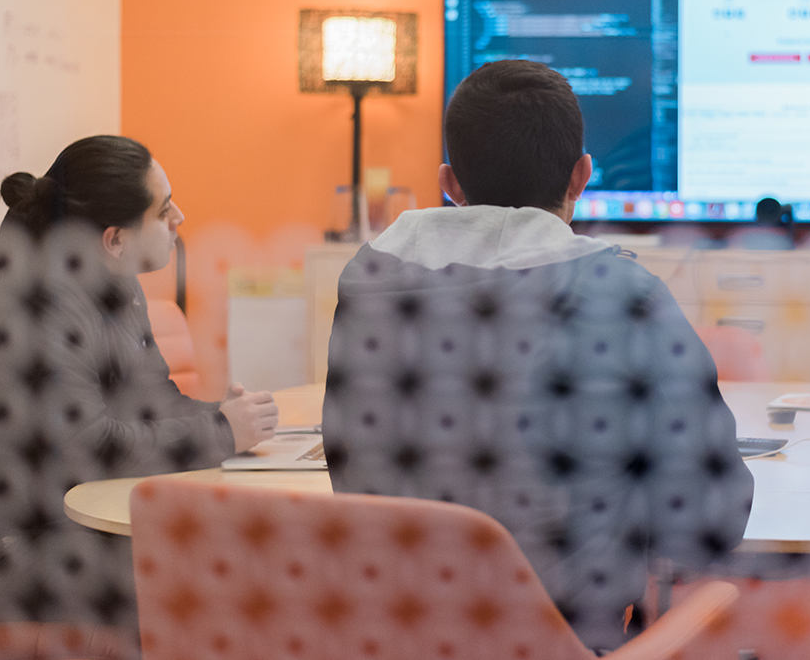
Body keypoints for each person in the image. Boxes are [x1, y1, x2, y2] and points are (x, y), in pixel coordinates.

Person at [322, 60, 755, 653]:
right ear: (581, 176)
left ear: (450, 183)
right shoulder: (625, 295)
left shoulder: (365, 281)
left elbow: (352, 468)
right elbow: (711, 521)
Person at [0, 135, 278, 631]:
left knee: (212, 549)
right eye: (163, 211)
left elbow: (153, 399)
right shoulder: (35, 304)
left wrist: (220, 418)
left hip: (42, 522)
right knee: (191, 571)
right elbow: (89, 448)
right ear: (114, 239)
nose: (179, 218)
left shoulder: (113, 283)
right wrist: (222, 434)